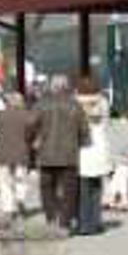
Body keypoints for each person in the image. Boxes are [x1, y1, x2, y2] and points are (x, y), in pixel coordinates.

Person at [33, 75, 89, 229]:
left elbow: (30, 124)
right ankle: (65, 221)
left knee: (46, 188)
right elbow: (84, 128)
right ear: (67, 87)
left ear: (52, 87)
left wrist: (32, 140)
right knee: (70, 189)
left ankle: (51, 218)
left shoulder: (41, 104)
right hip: (69, 153)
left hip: (46, 153)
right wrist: (83, 143)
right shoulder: (75, 105)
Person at [0, 91, 38, 217]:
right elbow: (32, 133)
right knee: (21, 179)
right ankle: (20, 199)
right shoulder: (27, 115)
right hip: (21, 152)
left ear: (8, 103)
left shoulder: (0, 115)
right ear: (21, 103)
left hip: (4, 153)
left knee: (4, 182)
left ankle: (8, 208)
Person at [75, 77, 113, 235]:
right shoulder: (103, 103)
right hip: (100, 148)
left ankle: (84, 224)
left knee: (83, 190)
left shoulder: (76, 105)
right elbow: (106, 123)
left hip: (83, 149)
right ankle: (96, 222)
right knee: (97, 188)